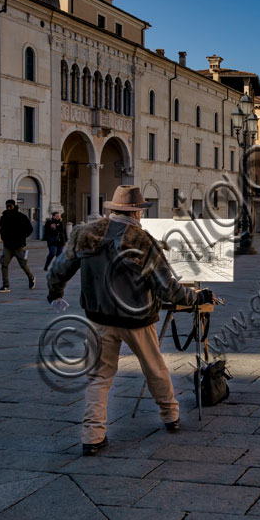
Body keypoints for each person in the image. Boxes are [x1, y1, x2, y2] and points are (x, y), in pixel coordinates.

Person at [47, 185, 211, 456]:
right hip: (137, 319)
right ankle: (170, 417)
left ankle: (92, 436)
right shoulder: (143, 241)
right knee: (154, 368)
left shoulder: (85, 234)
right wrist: (196, 297)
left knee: (99, 377)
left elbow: (59, 269)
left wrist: (55, 294)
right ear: (136, 213)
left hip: (99, 318)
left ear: (113, 210)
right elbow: (167, 288)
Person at [0, 199, 35, 293]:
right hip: (7, 246)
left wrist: (22, 238)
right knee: (4, 264)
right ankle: (6, 285)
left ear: (14, 206)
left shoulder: (21, 217)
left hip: (19, 246)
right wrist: (4, 238)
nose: (9, 207)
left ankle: (31, 277)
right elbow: (1, 229)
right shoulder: (4, 217)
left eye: (10, 206)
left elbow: (30, 229)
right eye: (7, 206)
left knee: (23, 264)